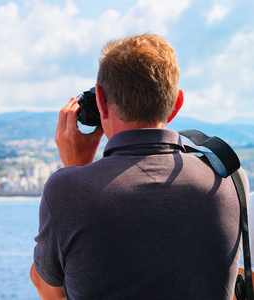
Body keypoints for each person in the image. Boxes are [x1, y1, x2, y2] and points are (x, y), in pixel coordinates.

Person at [30, 34, 250, 300]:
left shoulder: (67, 190)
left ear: (100, 101)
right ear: (176, 104)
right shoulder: (230, 178)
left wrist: (75, 169)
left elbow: (49, 292)